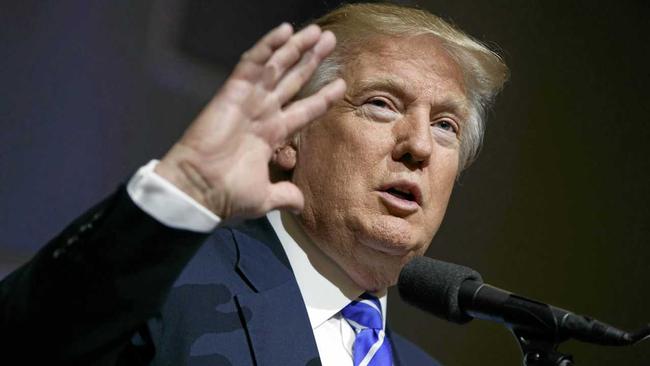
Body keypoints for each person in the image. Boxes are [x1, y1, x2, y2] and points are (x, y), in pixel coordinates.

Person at [0, 3, 508, 365]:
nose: (419, 145)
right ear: (290, 135)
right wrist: (183, 190)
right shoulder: (167, 286)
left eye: (447, 125)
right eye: (381, 103)